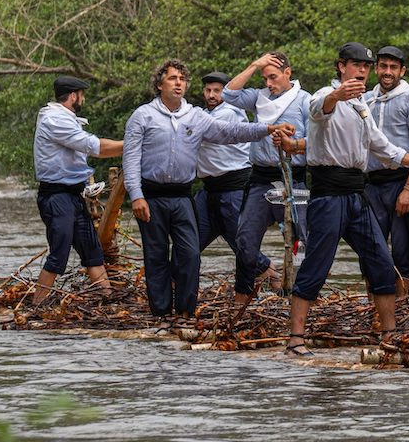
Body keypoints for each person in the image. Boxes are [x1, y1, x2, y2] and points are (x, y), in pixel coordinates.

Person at [275, 43, 409, 356]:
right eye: (355, 65)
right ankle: (296, 339)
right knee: (317, 264)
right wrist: (337, 95)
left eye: (365, 66)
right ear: (341, 67)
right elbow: (320, 108)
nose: (362, 71)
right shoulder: (324, 94)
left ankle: (389, 335)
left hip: (356, 194)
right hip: (328, 194)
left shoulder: (363, 107)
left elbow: (386, 149)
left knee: (381, 262)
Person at [123, 60, 295, 317]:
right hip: (152, 195)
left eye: (182, 78)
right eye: (172, 78)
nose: (179, 83)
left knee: (190, 254)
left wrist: (268, 129)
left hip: (183, 195)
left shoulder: (195, 116)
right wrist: (136, 195)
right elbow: (131, 157)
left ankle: (185, 313)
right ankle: (160, 313)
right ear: (160, 85)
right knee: (156, 256)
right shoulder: (143, 115)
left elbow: (230, 132)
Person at [222, 51, 310, 304]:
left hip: (293, 179)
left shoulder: (305, 101)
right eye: (265, 78)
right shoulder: (259, 97)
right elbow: (229, 94)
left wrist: (293, 144)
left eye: (273, 77)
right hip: (261, 178)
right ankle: (244, 293)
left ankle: (297, 294)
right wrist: (254, 65)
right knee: (245, 239)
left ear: (288, 73)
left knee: (299, 241)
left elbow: (317, 142)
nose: (269, 84)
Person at [31, 75, 124, 304]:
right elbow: (95, 148)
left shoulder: (66, 118)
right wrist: (132, 144)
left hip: (73, 195)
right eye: (82, 95)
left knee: (92, 251)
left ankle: (107, 300)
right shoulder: (55, 119)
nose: (83, 99)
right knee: (59, 254)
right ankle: (36, 305)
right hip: (56, 196)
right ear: (74, 96)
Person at [362, 45, 409, 295]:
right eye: (383, 66)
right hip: (372, 184)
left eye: (393, 67)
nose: (387, 72)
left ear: (403, 71)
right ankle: (375, 306)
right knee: (369, 248)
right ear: (376, 69)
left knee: (402, 251)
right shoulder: (365, 99)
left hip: (403, 182)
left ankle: (402, 309)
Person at [194, 71, 252, 284]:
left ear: (226, 92)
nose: (211, 95)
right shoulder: (202, 113)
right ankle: (181, 286)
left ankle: (269, 273)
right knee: (190, 242)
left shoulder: (230, 112)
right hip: (209, 189)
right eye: (208, 90)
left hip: (233, 188)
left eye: (217, 91)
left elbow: (199, 130)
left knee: (242, 244)